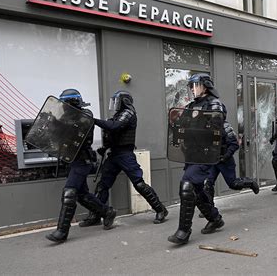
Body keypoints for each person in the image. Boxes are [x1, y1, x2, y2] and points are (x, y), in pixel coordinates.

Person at [85, 90, 168, 227]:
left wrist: (94, 121)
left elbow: (114, 127)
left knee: (139, 184)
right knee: (102, 186)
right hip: (114, 155)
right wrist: (105, 147)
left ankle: (160, 209)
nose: (115, 104)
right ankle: (97, 214)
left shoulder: (128, 114)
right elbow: (112, 134)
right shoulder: (118, 115)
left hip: (125, 155)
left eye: (117, 100)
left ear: (124, 101)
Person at [46, 89, 116, 243]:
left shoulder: (86, 115)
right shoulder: (65, 117)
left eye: (66, 103)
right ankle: (107, 212)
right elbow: (59, 135)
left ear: (73, 103)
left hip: (82, 161)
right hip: (71, 160)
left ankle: (62, 232)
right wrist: (50, 123)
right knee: (82, 194)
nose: (63, 107)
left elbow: (75, 126)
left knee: (69, 192)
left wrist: (57, 122)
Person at [168, 73, 225, 245]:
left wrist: (197, 123)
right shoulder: (192, 105)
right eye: (191, 86)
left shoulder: (215, 105)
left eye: (195, 85)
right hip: (191, 155)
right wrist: (175, 125)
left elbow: (215, 131)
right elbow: (182, 125)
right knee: (198, 191)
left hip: (205, 155)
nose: (192, 89)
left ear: (205, 85)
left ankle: (183, 231)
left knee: (187, 185)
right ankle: (215, 218)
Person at [199, 106, 259, 218]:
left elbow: (234, 144)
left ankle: (250, 182)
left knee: (233, 184)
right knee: (208, 184)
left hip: (225, 161)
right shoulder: (207, 127)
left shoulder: (226, 127)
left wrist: (225, 156)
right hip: (213, 161)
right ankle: (209, 209)